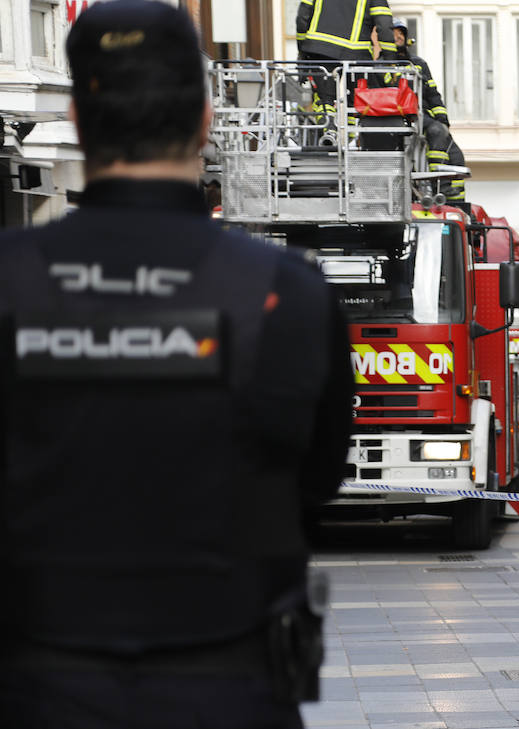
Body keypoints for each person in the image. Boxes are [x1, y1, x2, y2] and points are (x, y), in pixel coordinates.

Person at [0, 2, 353, 726]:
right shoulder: (288, 293)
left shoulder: (12, 281)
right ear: (205, 121)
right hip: (230, 686)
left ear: (77, 117)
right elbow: (318, 481)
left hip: (37, 685)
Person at [389, 19, 466, 203]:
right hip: (400, 116)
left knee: (455, 154)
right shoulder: (382, 64)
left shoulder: (418, 63)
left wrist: (443, 118)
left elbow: (432, 93)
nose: (398, 36)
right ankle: (439, 185)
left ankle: (457, 202)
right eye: (394, 33)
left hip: (423, 115)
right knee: (436, 131)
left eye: (401, 33)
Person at [296, 0, 396, 116]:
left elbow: (302, 18)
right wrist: (390, 62)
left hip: (320, 51)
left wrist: (303, 53)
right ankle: (352, 131)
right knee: (355, 101)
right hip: (357, 55)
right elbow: (384, 26)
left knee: (324, 100)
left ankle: (329, 130)